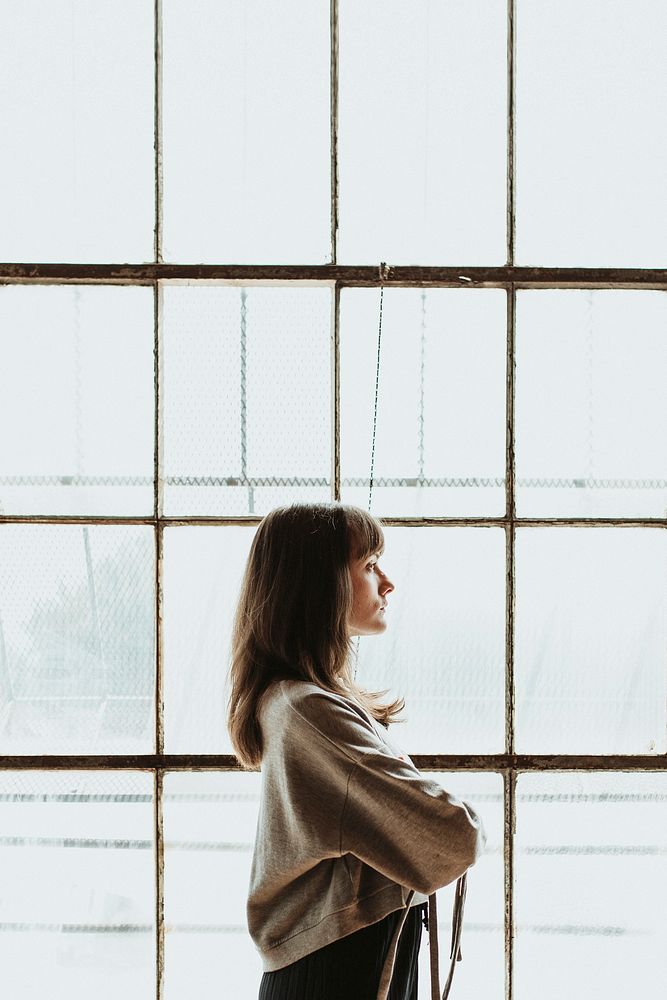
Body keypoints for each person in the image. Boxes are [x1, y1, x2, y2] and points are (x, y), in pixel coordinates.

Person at [227, 502, 486, 1000]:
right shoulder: (310, 712)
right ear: (320, 586)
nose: (387, 583)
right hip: (336, 974)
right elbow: (455, 835)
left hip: (330, 966)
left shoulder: (296, 703)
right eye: (369, 566)